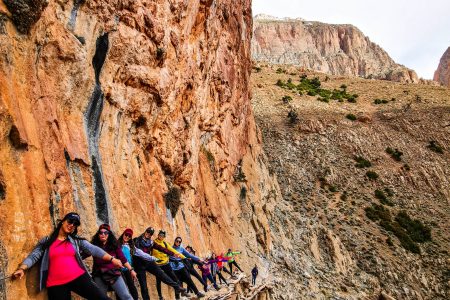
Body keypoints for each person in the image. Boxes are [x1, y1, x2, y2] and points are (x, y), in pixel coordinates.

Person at [12, 212, 121, 300]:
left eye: (75, 224)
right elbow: (34, 256)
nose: (72, 225)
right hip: (56, 284)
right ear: (63, 221)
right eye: (70, 221)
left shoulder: (75, 240)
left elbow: (93, 249)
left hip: (79, 277)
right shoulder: (47, 241)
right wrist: (22, 268)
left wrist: (112, 259)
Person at [134, 227, 186, 300]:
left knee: (162, 275)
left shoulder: (150, 242)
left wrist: (172, 254)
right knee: (144, 286)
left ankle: (177, 287)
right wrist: (152, 258)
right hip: (139, 265)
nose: (148, 234)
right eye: (148, 232)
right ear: (145, 231)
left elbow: (161, 248)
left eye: (150, 233)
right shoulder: (137, 240)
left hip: (148, 262)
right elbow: (140, 253)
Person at [90, 224, 135, 300]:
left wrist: (131, 270)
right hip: (99, 274)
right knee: (100, 298)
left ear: (109, 234)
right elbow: (83, 253)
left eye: (105, 232)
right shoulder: (94, 245)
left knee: (126, 296)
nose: (103, 234)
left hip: (113, 274)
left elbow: (123, 259)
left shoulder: (114, 245)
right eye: (100, 232)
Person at [117, 228, 159, 300]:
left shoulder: (131, 246)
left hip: (128, 270)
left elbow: (142, 254)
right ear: (123, 234)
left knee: (132, 288)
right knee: (121, 289)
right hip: (119, 270)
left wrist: (153, 258)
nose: (127, 237)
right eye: (126, 235)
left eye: (129, 236)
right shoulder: (117, 245)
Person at [152, 230, 186, 300]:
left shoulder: (165, 243)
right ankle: (160, 297)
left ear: (164, 237)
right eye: (160, 235)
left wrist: (184, 257)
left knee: (175, 278)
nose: (161, 236)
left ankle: (178, 296)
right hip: (157, 265)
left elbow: (174, 251)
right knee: (158, 281)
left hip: (166, 263)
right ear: (158, 235)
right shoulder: (153, 243)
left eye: (162, 235)